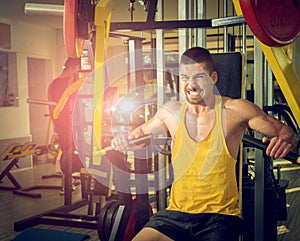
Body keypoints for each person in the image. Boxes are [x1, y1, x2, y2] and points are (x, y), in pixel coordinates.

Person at [110, 47, 299, 241]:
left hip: (219, 218)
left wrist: (286, 141)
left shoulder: (234, 110)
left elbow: (286, 132)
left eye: (198, 76)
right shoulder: (171, 112)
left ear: (213, 78)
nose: (190, 85)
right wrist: (124, 140)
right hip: (175, 214)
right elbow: (139, 135)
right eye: (184, 77)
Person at [48, 57, 83, 195]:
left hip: (65, 124)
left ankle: (69, 182)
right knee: (68, 153)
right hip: (67, 125)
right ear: (73, 68)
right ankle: (65, 184)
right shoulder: (64, 83)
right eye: (77, 68)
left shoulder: (54, 83)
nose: (78, 71)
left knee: (69, 152)